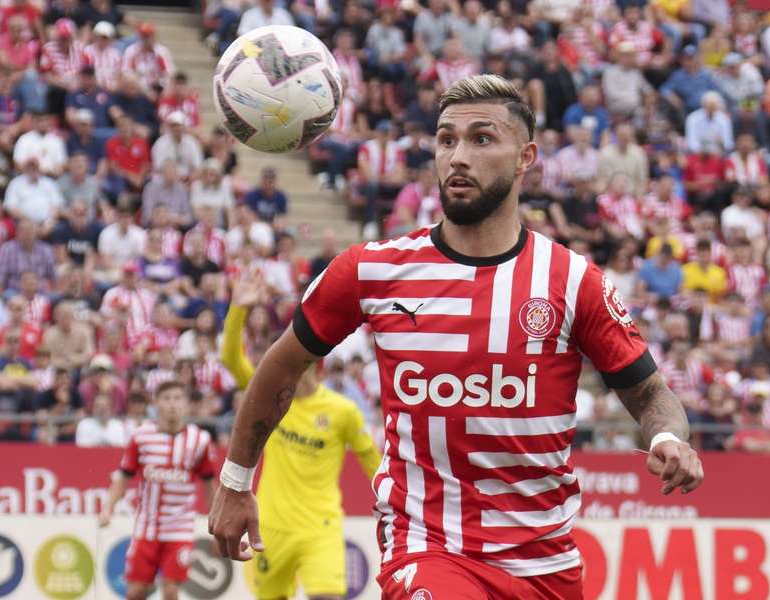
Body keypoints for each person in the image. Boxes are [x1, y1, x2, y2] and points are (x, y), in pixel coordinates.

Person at [209, 75, 704, 599]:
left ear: (525, 157)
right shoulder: (371, 270)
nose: (458, 156)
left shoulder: (573, 282)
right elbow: (280, 367)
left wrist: (668, 437)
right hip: (427, 547)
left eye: (481, 139)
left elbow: (649, 393)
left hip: (545, 564)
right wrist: (237, 480)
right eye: (447, 140)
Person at [219, 278, 380, 600]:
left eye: (299, 368)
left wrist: (392, 507)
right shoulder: (270, 397)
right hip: (271, 528)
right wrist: (238, 309)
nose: (289, 375)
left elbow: (371, 459)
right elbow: (231, 360)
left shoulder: (342, 411)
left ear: (317, 370)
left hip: (320, 527)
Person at [99, 380, 217, 600]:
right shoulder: (141, 437)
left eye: (177, 398)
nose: (172, 404)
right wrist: (108, 508)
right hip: (147, 527)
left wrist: (217, 525)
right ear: (157, 403)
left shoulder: (199, 440)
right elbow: (123, 477)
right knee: (135, 592)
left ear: (186, 404)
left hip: (180, 528)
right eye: (167, 398)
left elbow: (210, 485)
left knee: (171, 592)